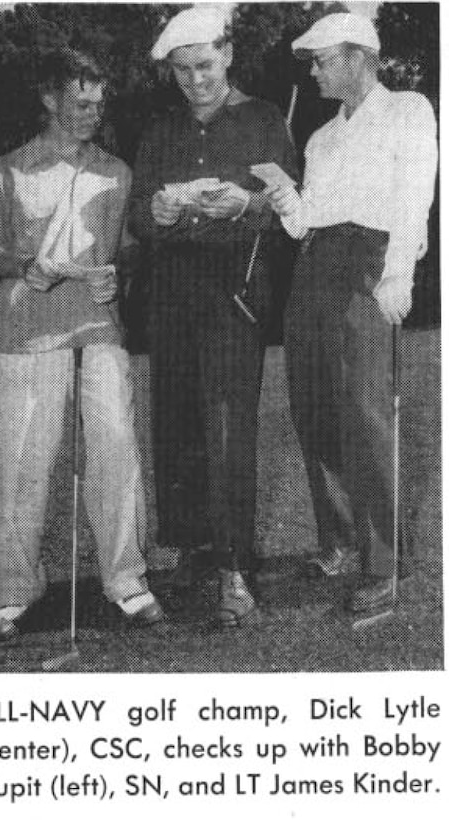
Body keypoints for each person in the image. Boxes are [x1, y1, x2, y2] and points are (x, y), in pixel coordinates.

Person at [0, 47, 163, 642]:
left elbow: (129, 249)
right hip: (25, 331)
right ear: (49, 98)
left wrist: (120, 273)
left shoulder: (117, 171)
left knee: (116, 451)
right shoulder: (9, 169)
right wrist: (26, 265)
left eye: (98, 104)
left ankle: (127, 582)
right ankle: (15, 591)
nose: (91, 113)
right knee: (24, 465)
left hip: (98, 328)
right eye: (80, 102)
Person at [129, 6, 298, 626]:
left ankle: (235, 571)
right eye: (181, 70)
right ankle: (197, 549)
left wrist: (246, 203)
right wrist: (160, 216)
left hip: (234, 297)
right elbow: (138, 219)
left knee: (229, 433)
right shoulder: (159, 131)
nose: (195, 80)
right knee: (175, 429)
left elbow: (289, 210)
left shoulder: (262, 119)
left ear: (227, 53)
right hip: (170, 297)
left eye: (203, 65)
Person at [266, 13, 438, 614]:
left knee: (367, 414)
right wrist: (287, 199)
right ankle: (338, 541)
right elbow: (305, 220)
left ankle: (383, 561)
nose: (312, 71)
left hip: (367, 265)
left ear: (359, 56)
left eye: (322, 59)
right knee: (314, 408)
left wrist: (397, 273)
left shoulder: (409, 110)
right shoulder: (320, 137)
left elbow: (416, 195)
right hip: (314, 270)